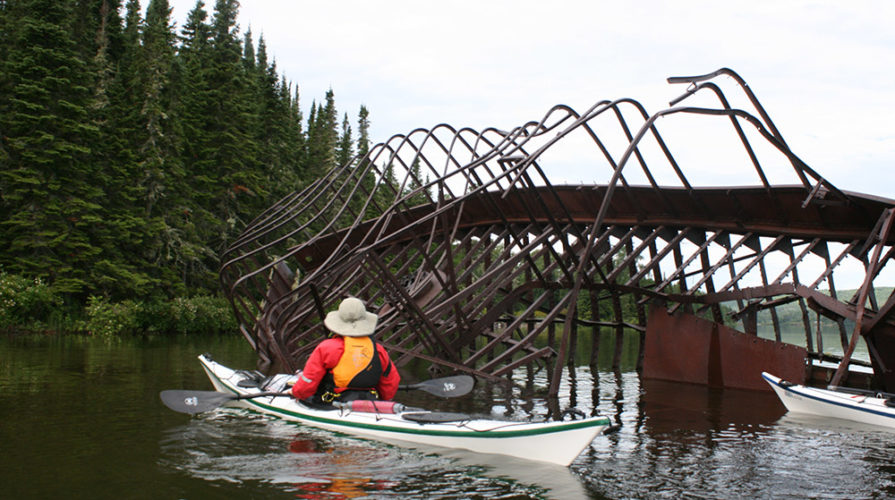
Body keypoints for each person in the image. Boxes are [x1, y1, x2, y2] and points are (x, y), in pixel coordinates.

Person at [291, 297, 400, 405]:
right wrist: (383, 401)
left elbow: (307, 384)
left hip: (333, 403)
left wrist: (296, 393)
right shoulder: (378, 349)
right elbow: (391, 384)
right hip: (370, 402)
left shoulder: (327, 348)